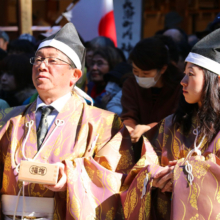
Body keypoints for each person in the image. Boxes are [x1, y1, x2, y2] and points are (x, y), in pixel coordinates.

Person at [0, 23, 135, 219]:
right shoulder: (7, 119)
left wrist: (70, 177)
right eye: (37, 59)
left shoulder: (103, 123)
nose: (41, 65)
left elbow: (116, 180)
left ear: (75, 75)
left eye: (52, 60)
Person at [120, 27, 220, 220]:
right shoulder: (170, 124)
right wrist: (155, 173)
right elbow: (145, 162)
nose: (182, 81)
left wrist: (182, 174)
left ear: (216, 81)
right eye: (184, 73)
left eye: (191, 74)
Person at [121, 36, 184, 147]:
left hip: (170, 145)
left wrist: (149, 128)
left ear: (163, 69)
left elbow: (177, 120)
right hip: (138, 145)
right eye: (135, 71)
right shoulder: (130, 84)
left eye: (145, 74)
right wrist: (130, 128)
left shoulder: (181, 85)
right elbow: (128, 114)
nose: (140, 76)